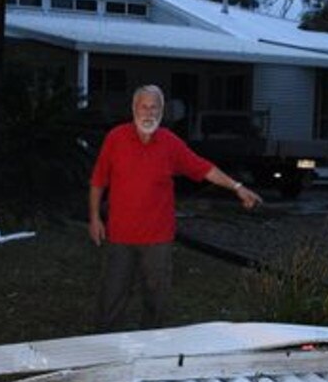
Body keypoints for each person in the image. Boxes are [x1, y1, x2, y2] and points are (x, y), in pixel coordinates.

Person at [89, 84, 262, 331]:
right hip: (120, 236)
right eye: (144, 106)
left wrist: (237, 186)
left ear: (162, 112)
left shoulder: (170, 144)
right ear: (133, 108)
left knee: (156, 301)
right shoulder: (115, 138)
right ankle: (103, 348)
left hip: (157, 239)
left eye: (155, 107)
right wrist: (95, 217)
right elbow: (98, 181)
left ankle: (152, 349)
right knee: (112, 299)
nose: (148, 113)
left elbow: (204, 168)